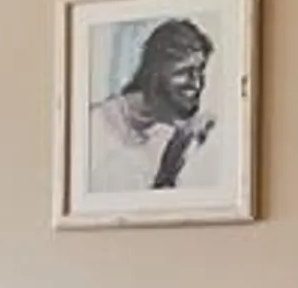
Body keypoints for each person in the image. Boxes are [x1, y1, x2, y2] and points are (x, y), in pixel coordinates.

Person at [83, 16, 218, 194]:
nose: (198, 84)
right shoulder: (94, 124)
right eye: (185, 72)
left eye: (200, 71)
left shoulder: (182, 135)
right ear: (155, 73)